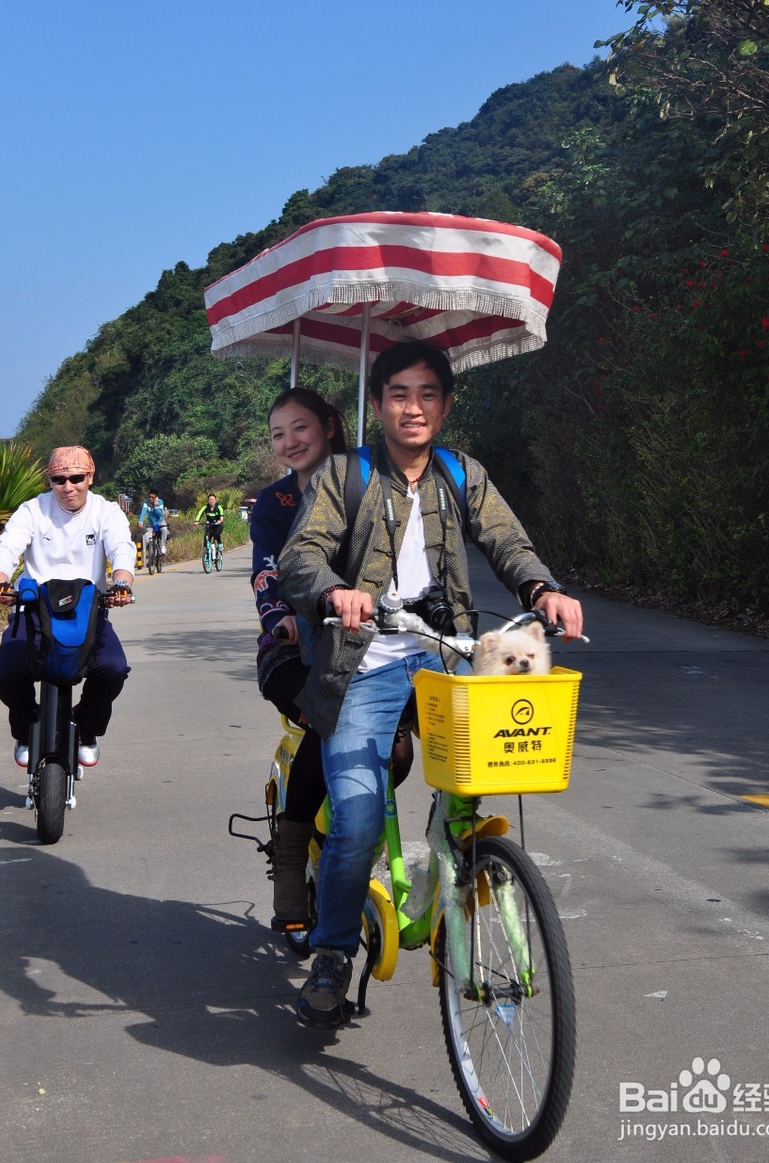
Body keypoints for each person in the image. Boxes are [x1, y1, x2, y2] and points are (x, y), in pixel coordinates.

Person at [278, 342, 584, 1027]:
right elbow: (299, 555)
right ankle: (332, 952)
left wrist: (543, 588)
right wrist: (335, 592)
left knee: (478, 784)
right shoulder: (343, 472)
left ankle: (457, 870)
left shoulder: (459, 472)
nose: (411, 407)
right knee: (356, 819)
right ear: (378, 402)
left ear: (444, 405)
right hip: (364, 661)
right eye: (397, 394)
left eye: (426, 394)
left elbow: (509, 541)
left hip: (449, 658)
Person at [250, 386, 348, 928]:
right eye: (278, 434)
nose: (289, 442)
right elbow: (265, 571)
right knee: (325, 720)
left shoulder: (368, 488)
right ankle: (291, 852)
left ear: (329, 426)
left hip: (361, 645)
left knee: (399, 746)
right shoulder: (275, 503)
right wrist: (278, 617)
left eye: (300, 428)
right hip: (292, 649)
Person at [0, 445, 136, 770]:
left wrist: (122, 582)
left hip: (88, 611)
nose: (68, 487)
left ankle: (85, 729)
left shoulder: (106, 512)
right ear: (50, 480)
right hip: (33, 613)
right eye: (59, 479)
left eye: (76, 478)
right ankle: (27, 730)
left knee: (112, 669)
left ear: (91, 477)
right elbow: (6, 549)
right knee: (8, 673)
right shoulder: (32, 511)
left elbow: (122, 549)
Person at [138, 489, 168, 557]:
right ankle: (153, 551)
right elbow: (143, 512)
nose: (151, 498)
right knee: (148, 539)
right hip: (151, 524)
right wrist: (141, 521)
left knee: (164, 530)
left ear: (156, 497)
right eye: (149, 497)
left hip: (160, 522)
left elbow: (160, 514)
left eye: (153, 497)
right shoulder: (146, 503)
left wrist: (155, 507)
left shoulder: (160, 502)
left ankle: (162, 546)